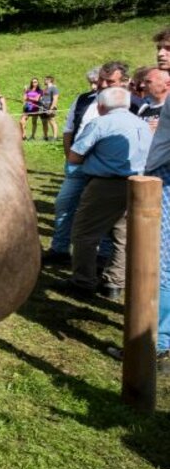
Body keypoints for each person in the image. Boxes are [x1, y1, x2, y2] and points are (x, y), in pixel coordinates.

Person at [60, 87, 151, 300]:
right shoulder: (143, 124)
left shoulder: (100, 123)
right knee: (122, 236)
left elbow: (75, 157)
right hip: (137, 184)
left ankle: (83, 282)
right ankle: (114, 283)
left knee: (84, 233)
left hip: (105, 185)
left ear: (100, 106)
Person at [46, 63, 127, 263]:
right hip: (78, 164)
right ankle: (60, 249)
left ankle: (104, 256)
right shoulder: (83, 99)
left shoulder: (129, 104)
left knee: (106, 213)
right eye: (102, 80)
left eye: (110, 81)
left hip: (107, 169)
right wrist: (69, 157)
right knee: (64, 204)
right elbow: (69, 129)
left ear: (123, 82)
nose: (103, 84)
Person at [143, 26, 170, 373]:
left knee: (161, 262)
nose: (162, 53)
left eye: (169, 48)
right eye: (162, 48)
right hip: (160, 173)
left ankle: (159, 344)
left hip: (166, 175)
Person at [40, 75, 60, 141]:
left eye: (45, 79)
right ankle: (45, 137)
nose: (44, 81)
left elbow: (55, 99)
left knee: (52, 121)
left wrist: (51, 108)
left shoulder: (54, 88)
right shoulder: (45, 89)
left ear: (49, 80)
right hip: (43, 108)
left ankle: (55, 137)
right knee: (44, 122)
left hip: (50, 108)